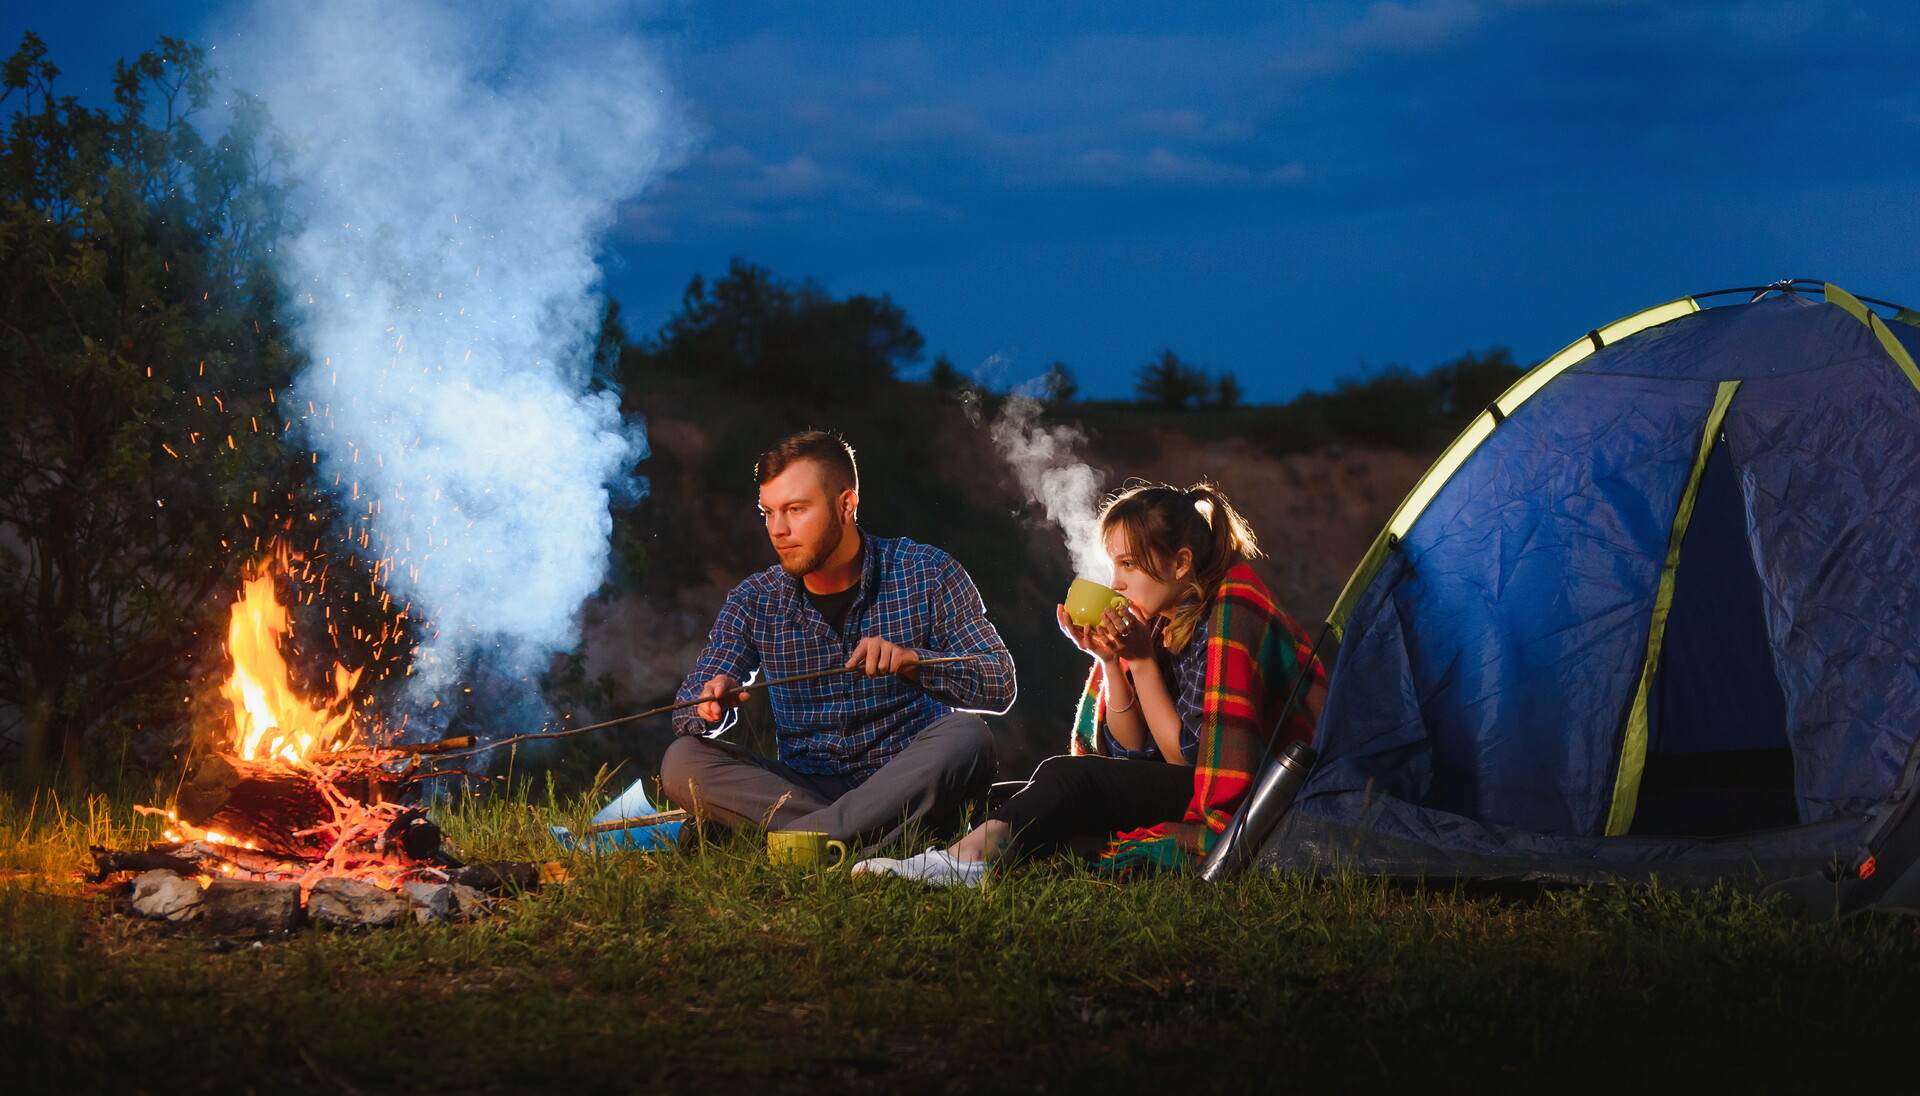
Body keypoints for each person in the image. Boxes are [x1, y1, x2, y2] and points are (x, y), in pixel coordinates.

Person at [853, 481, 1325, 886]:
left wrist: (1138, 662)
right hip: (1186, 784)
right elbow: (1130, 752)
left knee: (1067, 778)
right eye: (1113, 564)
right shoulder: (1159, 621)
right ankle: (992, 856)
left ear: (1181, 563)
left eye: (1130, 565)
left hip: (1255, 801)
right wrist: (1111, 661)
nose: (1115, 582)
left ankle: (962, 865)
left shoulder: (1231, 609)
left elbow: (1192, 761)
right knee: (1012, 796)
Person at [659, 430, 1016, 848]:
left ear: (846, 505)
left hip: (908, 781)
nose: (778, 529)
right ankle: (858, 838)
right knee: (682, 760)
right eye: (768, 513)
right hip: (803, 786)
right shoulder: (753, 599)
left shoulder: (927, 571)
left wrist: (912, 662)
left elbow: (999, 682)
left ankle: (801, 838)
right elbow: (686, 716)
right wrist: (710, 702)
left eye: (795, 509)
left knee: (968, 735)